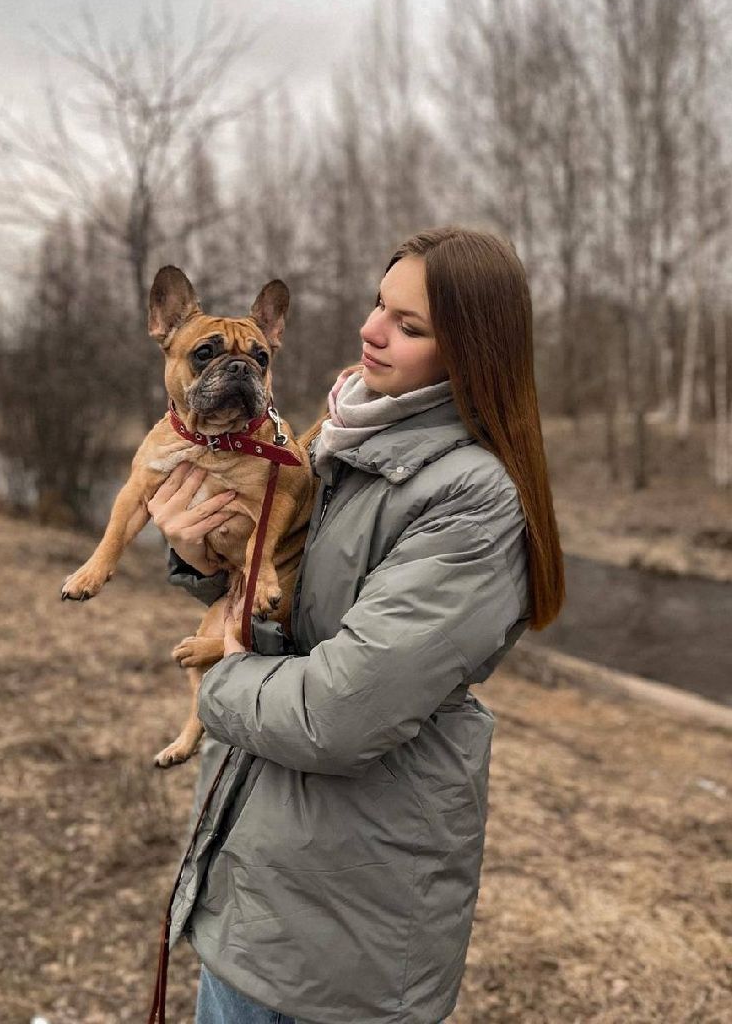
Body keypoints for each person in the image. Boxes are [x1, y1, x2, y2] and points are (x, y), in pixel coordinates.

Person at [148, 226, 565, 1024]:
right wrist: (202, 556)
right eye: (380, 304)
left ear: (472, 353)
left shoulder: (470, 499)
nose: (372, 329)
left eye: (410, 326)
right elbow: (286, 592)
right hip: (258, 868)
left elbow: (340, 712)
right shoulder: (339, 436)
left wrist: (221, 676)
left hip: (348, 917)